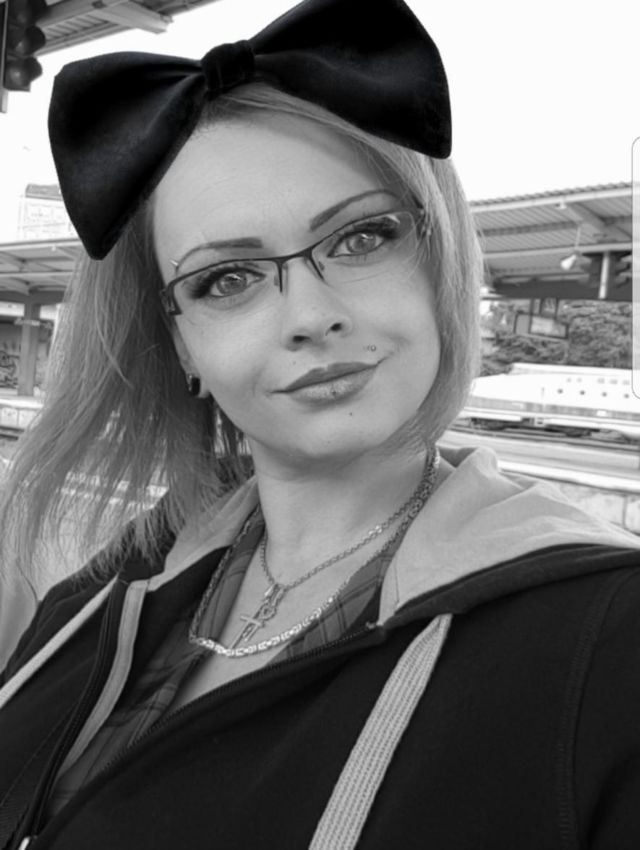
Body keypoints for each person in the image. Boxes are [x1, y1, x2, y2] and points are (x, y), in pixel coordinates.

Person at [1, 0, 640, 847]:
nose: (310, 315)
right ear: (181, 344)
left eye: (362, 237)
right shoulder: (118, 582)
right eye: (227, 279)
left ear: (438, 260)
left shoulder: (609, 638)